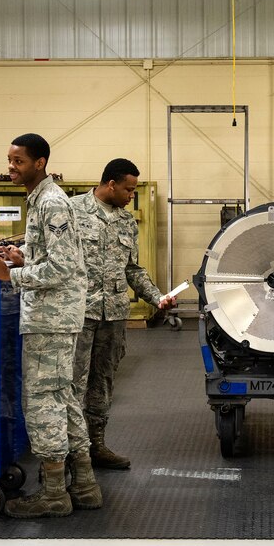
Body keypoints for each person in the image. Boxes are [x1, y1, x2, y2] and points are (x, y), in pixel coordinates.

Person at [0, 133, 102, 519]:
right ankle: (83, 485)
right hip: (53, 316)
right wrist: (22, 256)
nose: (11, 167)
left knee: (42, 403)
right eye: (9, 160)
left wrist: (8, 275)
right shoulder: (42, 200)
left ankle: (53, 494)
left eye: (18, 161)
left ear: (40, 162)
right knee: (63, 398)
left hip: (51, 319)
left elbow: (64, 267)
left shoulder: (52, 203)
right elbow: (55, 254)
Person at [70, 159, 176, 470]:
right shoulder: (72, 211)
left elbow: (132, 270)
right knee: (74, 382)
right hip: (79, 313)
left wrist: (157, 298)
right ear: (111, 184)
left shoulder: (126, 222)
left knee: (103, 381)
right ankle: (72, 452)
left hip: (113, 315)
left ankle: (97, 445)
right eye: (128, 189)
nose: (132, 195)